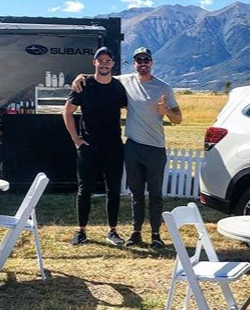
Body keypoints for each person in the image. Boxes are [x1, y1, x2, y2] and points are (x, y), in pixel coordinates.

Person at [73, 47, 182, 249]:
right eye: (139, 60)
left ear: (151, 62)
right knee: (136, 193)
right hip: (132, 146)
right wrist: (80, 77)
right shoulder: (125, 81)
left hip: (155, 146)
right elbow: (101, 75)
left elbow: (178, 119)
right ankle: (136, 233)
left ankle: (156, 235)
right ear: (134, 63)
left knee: (155, 194)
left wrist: (165, 110)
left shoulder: (164, 87)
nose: (143, 63)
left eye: (146, 60)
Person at [63, 46, 128, 246]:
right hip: (88, 146)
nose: (104, 63)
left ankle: (113, 231)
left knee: (114, 190)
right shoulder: (84, 85)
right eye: (101, 60)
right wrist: (76, 139)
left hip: (113, 146)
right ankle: (81, 231)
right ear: (95, 63)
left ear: (113, 64)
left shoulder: (119, 87)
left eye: (108, 60)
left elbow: (134, 105)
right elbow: (67, 112)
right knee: (85, 189)